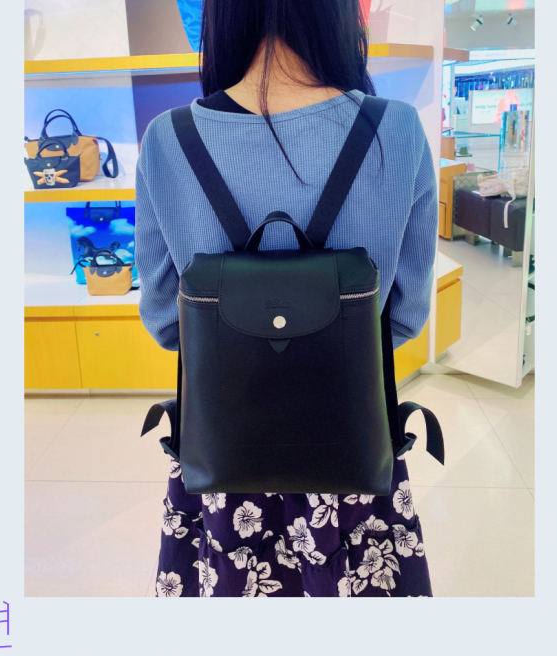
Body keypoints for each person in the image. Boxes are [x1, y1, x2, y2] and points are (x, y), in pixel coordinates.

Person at [135, 0, 438, 598]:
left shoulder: (168, 139)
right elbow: (403, 314)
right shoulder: (397, 129)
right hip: (351, 446)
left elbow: (167, 320)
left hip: (224, 453)